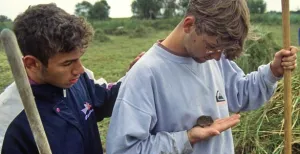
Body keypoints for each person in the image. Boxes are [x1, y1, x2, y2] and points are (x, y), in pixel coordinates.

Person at [106, 0, 298, 153]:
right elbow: (125, 149)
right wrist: (187, 138)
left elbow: (240, 93)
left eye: (220, 50)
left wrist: (273, 72)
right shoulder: (146, 74)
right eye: (211, 46)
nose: (216, 56)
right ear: (189, 25)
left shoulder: (213, 58)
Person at [1, 3, 143, 154]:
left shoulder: (79, 79)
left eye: (78, 59)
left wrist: (135, 76)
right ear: (32, 63)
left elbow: (107, 99)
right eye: (67, 63)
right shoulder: (8, 121)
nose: (79, 70)